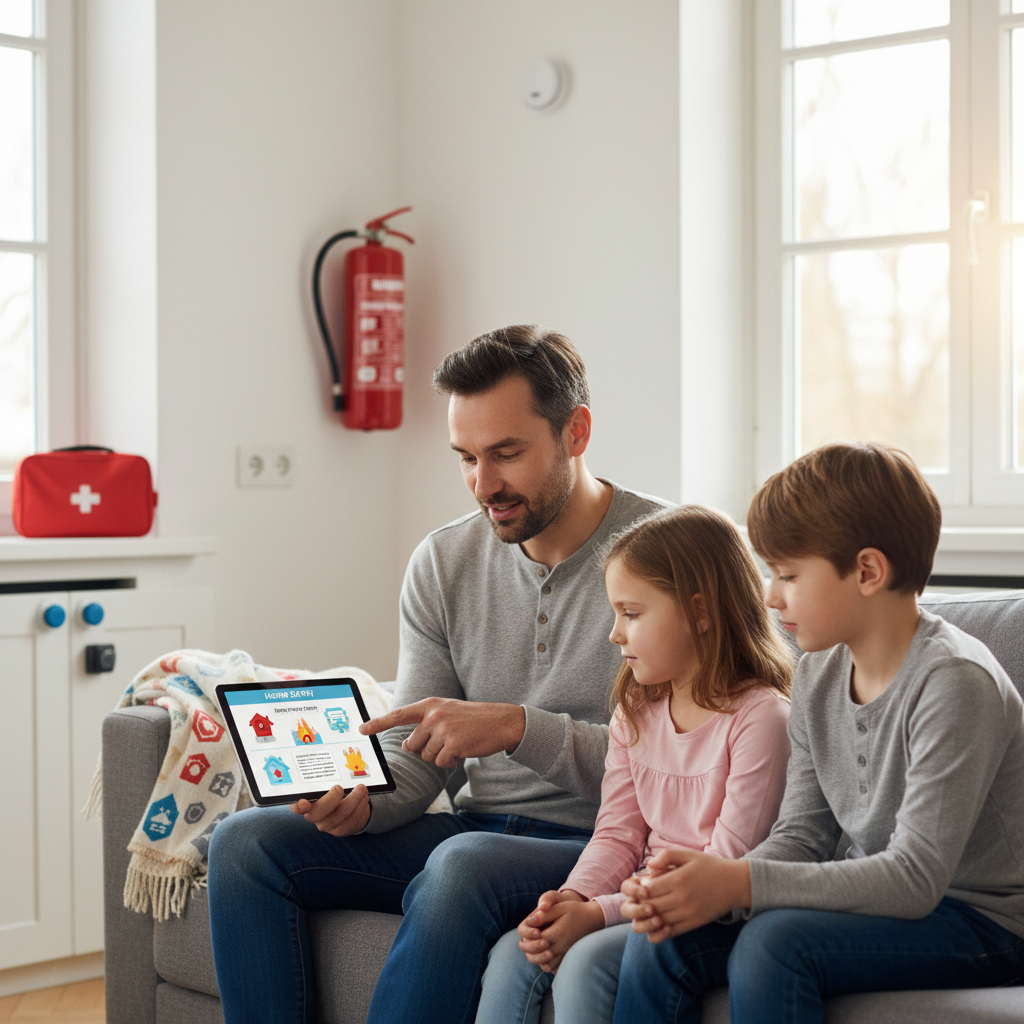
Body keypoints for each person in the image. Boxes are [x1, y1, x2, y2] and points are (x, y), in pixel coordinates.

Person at [207, 324, 672, 1024]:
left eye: (506, 454)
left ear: (575, 432)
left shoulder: (669, 555)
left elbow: (683, 762)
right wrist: (368, 801)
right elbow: (422, 753)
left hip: (604, 844)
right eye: (465, 457)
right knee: (241, 843)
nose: (485, 485)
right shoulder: (444, 561)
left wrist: (517, 728)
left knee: (460, 866)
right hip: (477, 826)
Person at [609, 441, 1024, 1024]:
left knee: (775, 945)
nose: (771, 595)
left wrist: (739, 883)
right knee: (666, 936)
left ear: (867, 571)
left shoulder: (954, 681)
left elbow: (914, 879)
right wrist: (702, 888)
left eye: (788, 574)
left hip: (981, 920)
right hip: (873, 901)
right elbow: (802, 837)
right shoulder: (818, 673)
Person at [474, 504, 793, 1024]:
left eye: (632, 613)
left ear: (701, 612)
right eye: (615, 613)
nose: (614, 634)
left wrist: (597, 915)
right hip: (641, 899)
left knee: (587, 964)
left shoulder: (761, 719)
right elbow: (618, 834)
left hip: (712, 909)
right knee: (515, 951)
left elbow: (728, 864)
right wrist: (571, 899)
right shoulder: (637, 709)